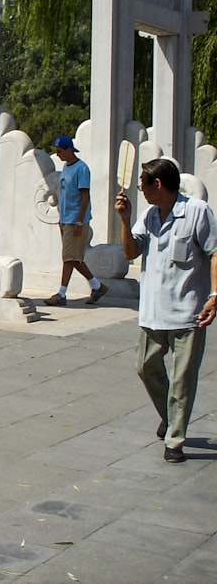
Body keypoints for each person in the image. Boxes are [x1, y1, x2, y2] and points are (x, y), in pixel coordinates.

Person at [115, 158, 217, 463]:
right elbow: (131, 252)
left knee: (183, 379)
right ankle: (170, 417)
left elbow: (215, 252)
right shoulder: (148, 216)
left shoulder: (197, 212)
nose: (141, 191)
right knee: (145, 367)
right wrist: (124, 220)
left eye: (143, 185)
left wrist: (214, 295)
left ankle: (175, 440)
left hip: (188, 313)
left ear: (157, 184)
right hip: (153, 313)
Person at [44, 135, 109, 306]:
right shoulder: (66, 167)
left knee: (69, 258)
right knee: (74, 258)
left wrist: (80, 221)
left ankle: (61, 293)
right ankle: (97, 286)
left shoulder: (82, 168)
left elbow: (85, 196)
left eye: (60, 151)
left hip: (76, 220)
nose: (58, 154)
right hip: (65, 219)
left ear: (69, 150)